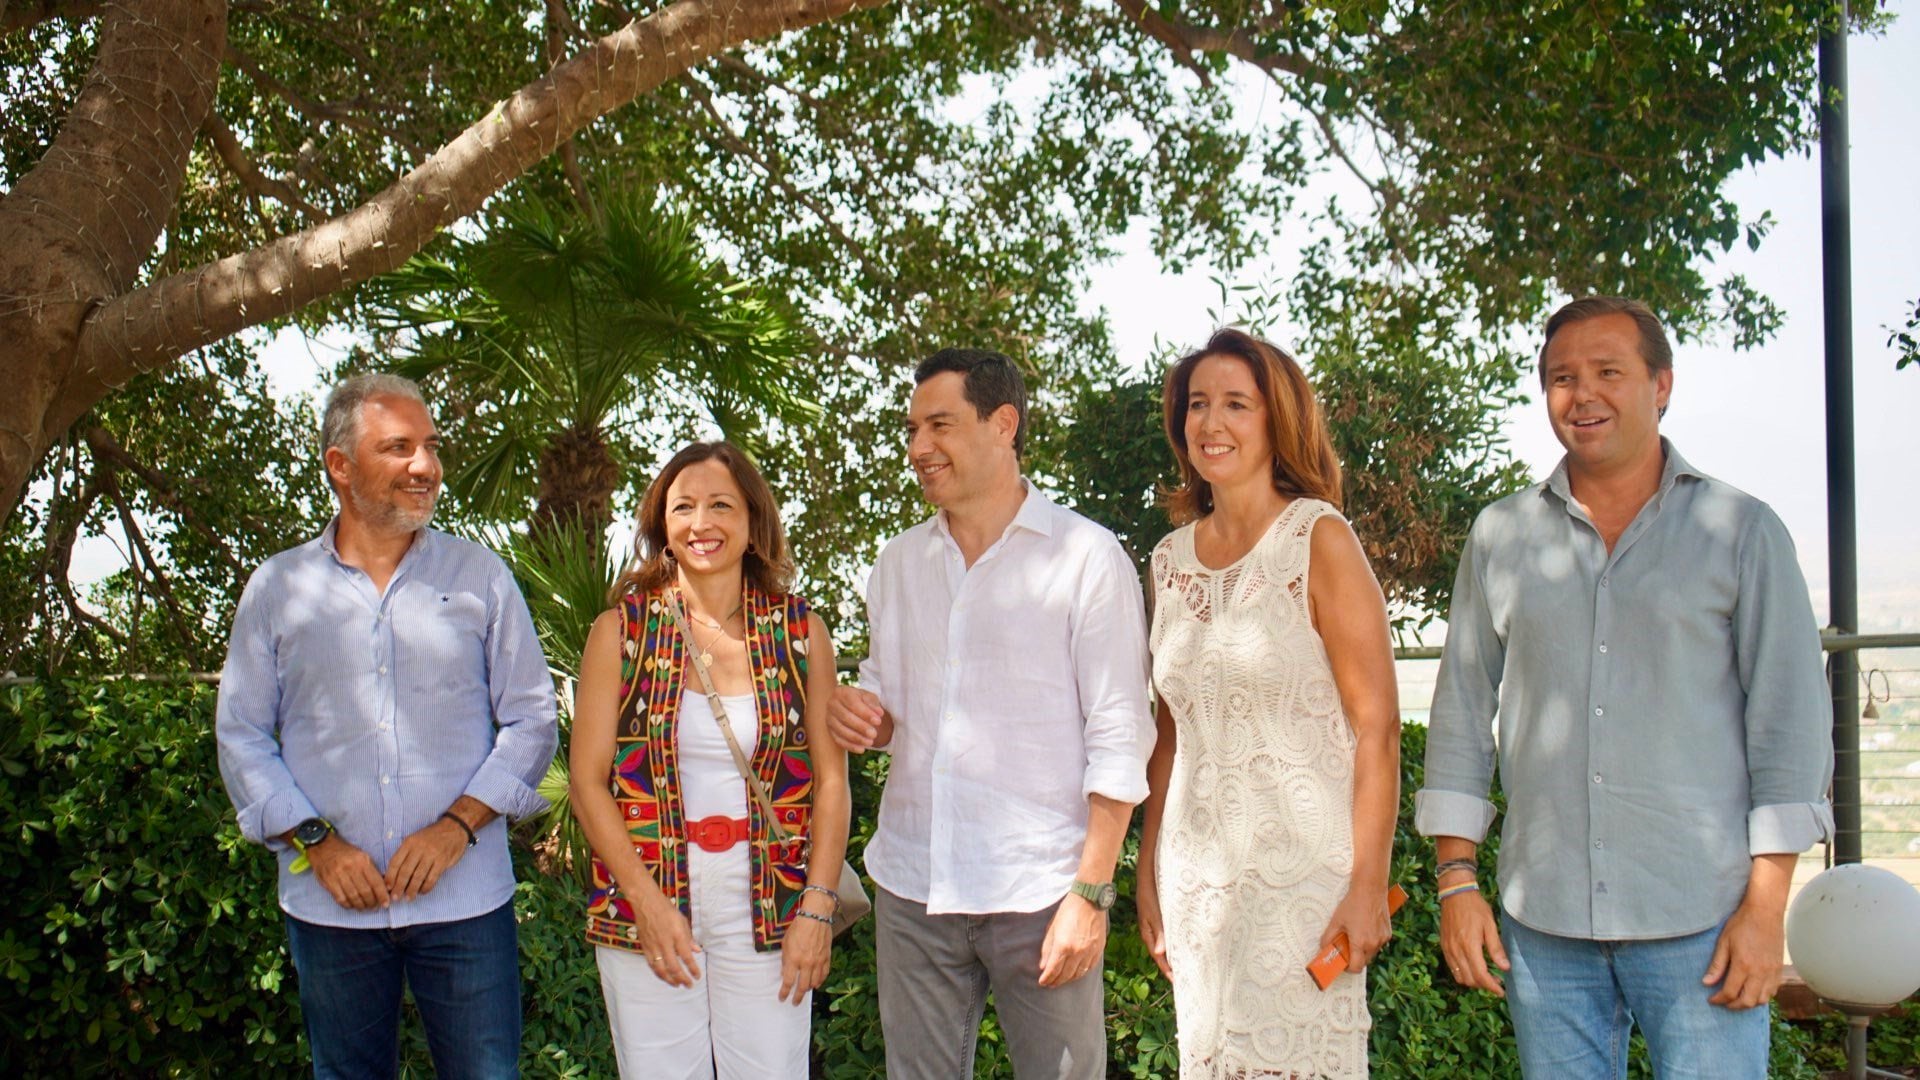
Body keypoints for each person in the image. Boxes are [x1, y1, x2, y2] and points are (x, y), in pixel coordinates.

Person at [1416, 297, 1834, 1077]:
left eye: (1609, 371)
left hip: (1703, 919)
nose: (1583, 395)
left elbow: (1789, 726)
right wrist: (1456, 880)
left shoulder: (1742, 530)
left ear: (1662, 384)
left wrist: (1766, 905)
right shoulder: (1500, 536)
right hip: (1543, 923)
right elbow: (1464, 709)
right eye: (1561, 378)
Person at [216, 373, 558, 1080]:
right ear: (340, 466)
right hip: (330, 909)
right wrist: (317, 842)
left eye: (430, 447)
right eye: (398, 447)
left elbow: (532, 718)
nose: (425, 467)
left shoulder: (481, 577)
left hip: (466, 904)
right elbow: (242, 733)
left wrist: (456, 826)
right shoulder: (277, 589)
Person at [825, 348, 1154, 1079]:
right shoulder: (896, 564)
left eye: (938, 424)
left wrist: (1091, 894)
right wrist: (863, 717)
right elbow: (887, 710)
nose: (917, 448)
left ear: (1003, 424)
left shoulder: (1087, 557)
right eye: (911, 429)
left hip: (1043, 888)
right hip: (913, 885)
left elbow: (1120, 734)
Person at [1134, 328, 1400, 1078]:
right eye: (1197, 405)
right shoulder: (1165, 562)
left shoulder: (1320, 538)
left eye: (1236, 405)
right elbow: (1169, 737)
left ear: (1275, 418)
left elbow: (1376, 728)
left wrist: (1368, 887)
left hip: (1306, 889)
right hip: (1198, 886)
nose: (1211, 424)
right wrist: (1150, 868)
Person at [570, 441, 850, 1079]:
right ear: (662, 527)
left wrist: (816, 908)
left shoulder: (800, 634)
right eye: (683, 507)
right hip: (649, 899)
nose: (702, 523)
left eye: (721, 505)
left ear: (752, 523)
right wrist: (645, 902)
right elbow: (588, 783)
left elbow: (831, 782)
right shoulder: (621, 633)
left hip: (770, 904)